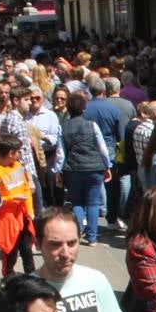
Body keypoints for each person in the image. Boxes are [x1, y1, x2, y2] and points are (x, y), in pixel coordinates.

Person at [35, 208, 124, 312]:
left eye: (71, 243)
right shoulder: (26, 292)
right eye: (55, 244)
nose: (65, 253)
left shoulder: (96, 280)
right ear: (38, 244)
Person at [58, 91, 110, 245]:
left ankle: (78, 230)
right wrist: (107, 166)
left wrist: (58, 171)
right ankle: (92, 237)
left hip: (73, 169)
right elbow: (103, 148)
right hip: (94, 168)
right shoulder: (92, 125)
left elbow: (61, 153)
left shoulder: (63, 127)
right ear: (83, 109)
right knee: (93, 203)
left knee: (77, 202)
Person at [0, 135, 36, 275]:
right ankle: (9, 279)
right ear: (10, 153)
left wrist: (30, 210)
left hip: (22, 217)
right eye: (18, 151)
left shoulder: (18, 166)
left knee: (27, 250)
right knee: (10, 252)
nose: (20, 154)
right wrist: (12, 198)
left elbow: (25, 189)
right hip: (7, 220)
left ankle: (32, 277)